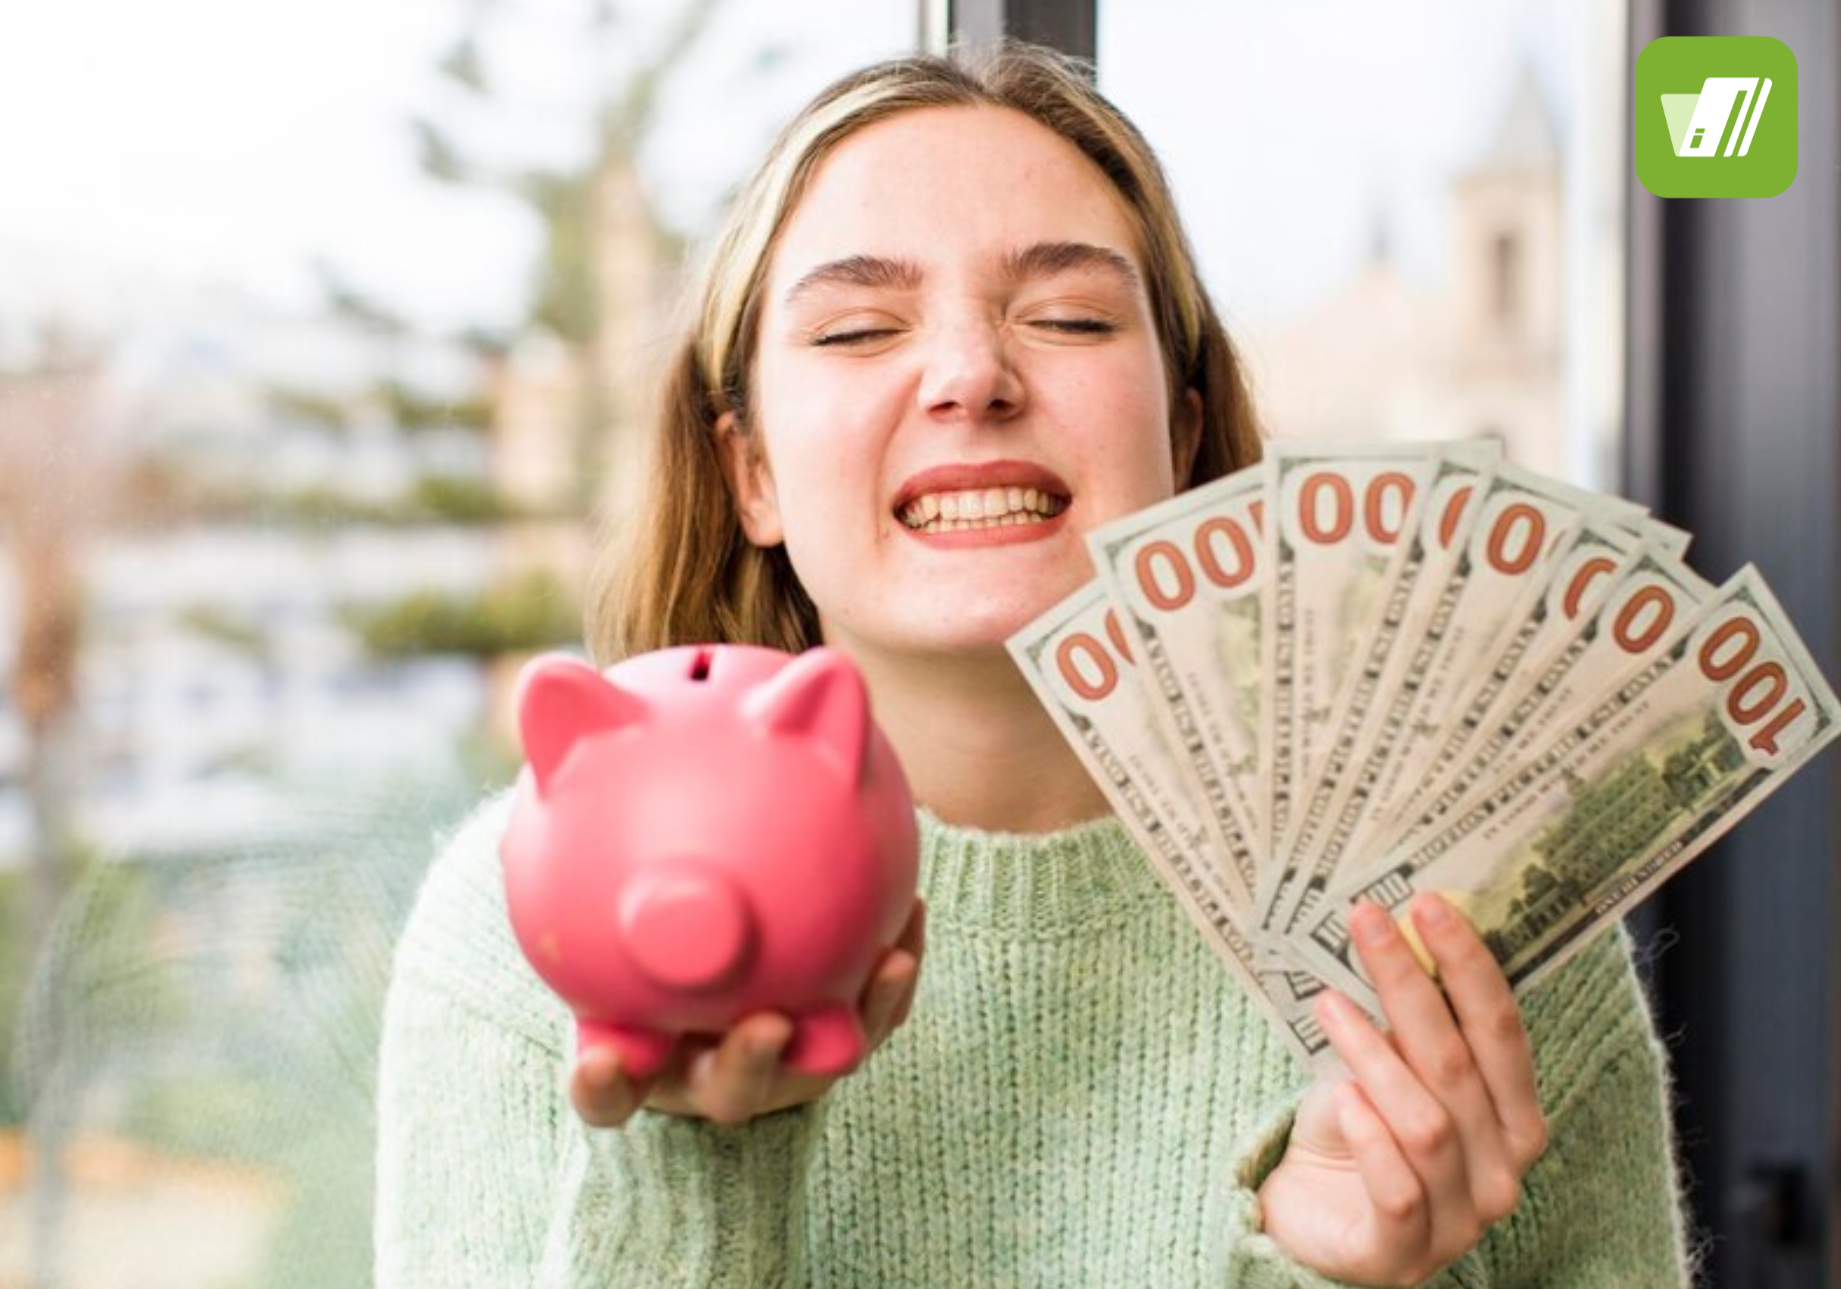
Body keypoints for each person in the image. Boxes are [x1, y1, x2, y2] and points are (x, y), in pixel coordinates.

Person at [374, 43, 1693, 1288]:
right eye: (855, 331)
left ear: (1182, 441)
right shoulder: (521, 933)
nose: (970, 375)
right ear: (752, 470)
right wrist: (691, 1181)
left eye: (1066, 317)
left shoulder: (1466, 944)